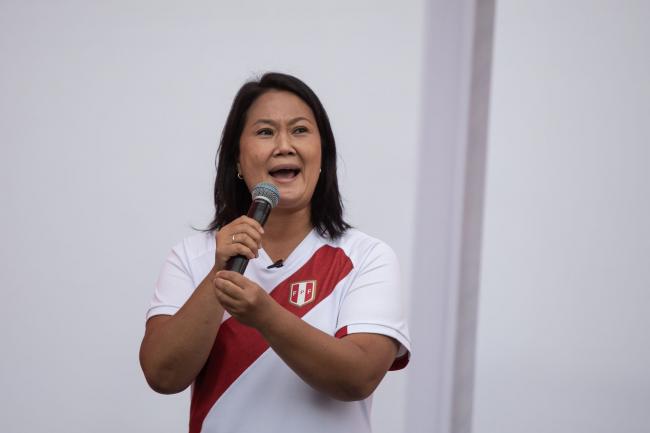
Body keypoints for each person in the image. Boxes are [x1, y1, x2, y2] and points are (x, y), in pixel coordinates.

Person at [139, 72, 411, 433]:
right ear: (237, 159)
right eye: (265, 132)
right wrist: (218, 276)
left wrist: (265, 314)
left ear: (322, 154)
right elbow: (163, 374)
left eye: (299, 130)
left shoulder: (366, 257)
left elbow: (358, 377)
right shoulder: (193, 257)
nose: (284, 145)